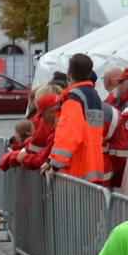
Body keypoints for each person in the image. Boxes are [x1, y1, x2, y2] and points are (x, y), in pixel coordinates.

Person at [43, 54, 108, 184]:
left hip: (76, 172)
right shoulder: (93, 96)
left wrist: (55, 164)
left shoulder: (74, 98)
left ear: (69, 72)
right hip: (93, 167)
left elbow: (70, 135)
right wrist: (50, 160)